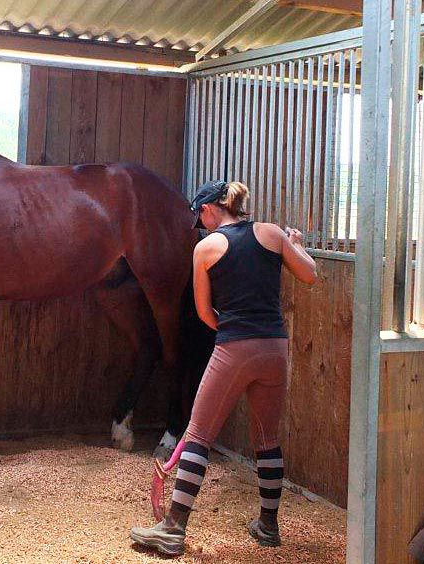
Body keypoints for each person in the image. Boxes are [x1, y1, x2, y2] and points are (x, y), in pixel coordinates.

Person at [130, 180, 318, 556]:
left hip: (235, 345)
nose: (200, 224)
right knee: (267, 438)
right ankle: (268, 525)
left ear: (209, 209)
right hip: (275, 348)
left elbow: (203, 312)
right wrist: (294, 244)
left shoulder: (206, 248)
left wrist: (232, 332)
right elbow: (310, 274)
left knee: (198, 434)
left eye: (200, 216)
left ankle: (172, 528)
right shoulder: (270, 232)